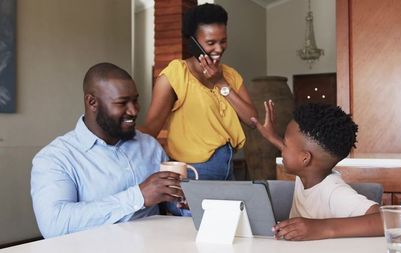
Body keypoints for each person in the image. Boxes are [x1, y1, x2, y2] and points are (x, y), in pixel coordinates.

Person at [31, 63, 185, 238]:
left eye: (135, 100)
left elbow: (172, 204)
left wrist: (188, 201)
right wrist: (138, 196)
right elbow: (54, 224)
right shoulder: (55, 158)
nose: (134, 110)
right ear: (92, 102)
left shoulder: (150, 146)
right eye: (122, 103)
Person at [140, 3, 258, 180]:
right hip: (195, 173)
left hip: (228, 170)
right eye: (211, 43)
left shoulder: (230, 75)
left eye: (223, 41)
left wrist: (220, 83)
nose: (219, 49)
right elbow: (151, 129)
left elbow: (253, 120)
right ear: (193, 42)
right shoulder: (176, 75)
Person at [251, 101, 383, 241]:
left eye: (285, 143)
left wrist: (321, 228)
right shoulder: (306, 174)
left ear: (305, 159)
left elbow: (387, 221)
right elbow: (296, 154)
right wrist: (272, 137)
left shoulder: (334, 191)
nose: (282, 149)